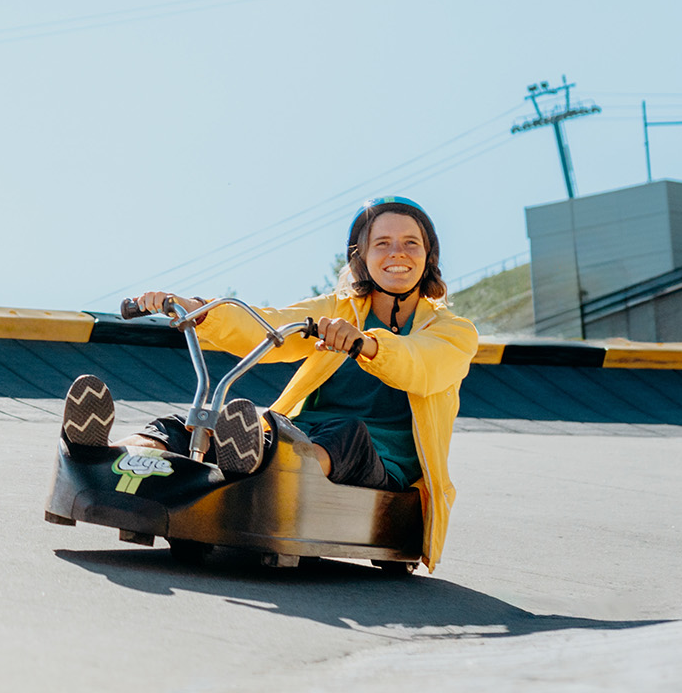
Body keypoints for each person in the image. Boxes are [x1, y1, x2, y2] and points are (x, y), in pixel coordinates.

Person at [60, 196, 478, 569]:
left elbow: (423, 365)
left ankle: (259, 466)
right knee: (192, 424)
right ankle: (104, 453)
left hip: (382, 461)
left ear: (429, 255)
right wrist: (199, 310)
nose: (396, 253)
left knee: (346, 432)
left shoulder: (453, 331)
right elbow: (271, 324)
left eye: (410, 243)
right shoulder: (338, 309)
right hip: (305, 435)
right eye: (382, 243)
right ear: (362, 257)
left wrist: (367, 346)